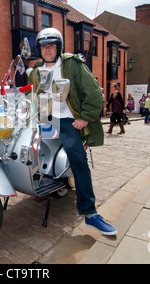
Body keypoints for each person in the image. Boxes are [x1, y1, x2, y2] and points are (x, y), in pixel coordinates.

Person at [28, 28, 117, 236]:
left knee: (78, 159)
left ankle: (90, 213)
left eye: (51, 45)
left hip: (67, 120)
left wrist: (84, 117)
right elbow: (31, 95)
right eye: (43, 45)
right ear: (39, 49)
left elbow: (94, 92)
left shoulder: (72, 65)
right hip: (43, 118)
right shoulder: (36, 69)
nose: (47, 49)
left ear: (58, 47)